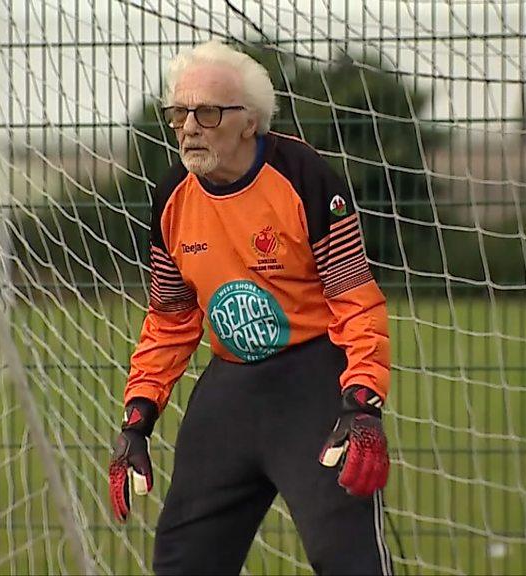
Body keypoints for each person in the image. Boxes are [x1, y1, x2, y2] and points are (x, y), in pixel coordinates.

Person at [108, 39, 393, 575]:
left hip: (312, 385)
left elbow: (355, 301)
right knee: (182, 559)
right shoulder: (172, 197)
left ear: (250, 122)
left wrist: (362, 404)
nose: (189, 127)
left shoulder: (305, 179)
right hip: (231, 390)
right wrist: (137, 420)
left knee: (348, 560)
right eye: (179, 113)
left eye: (208, 112)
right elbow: (170, 319)